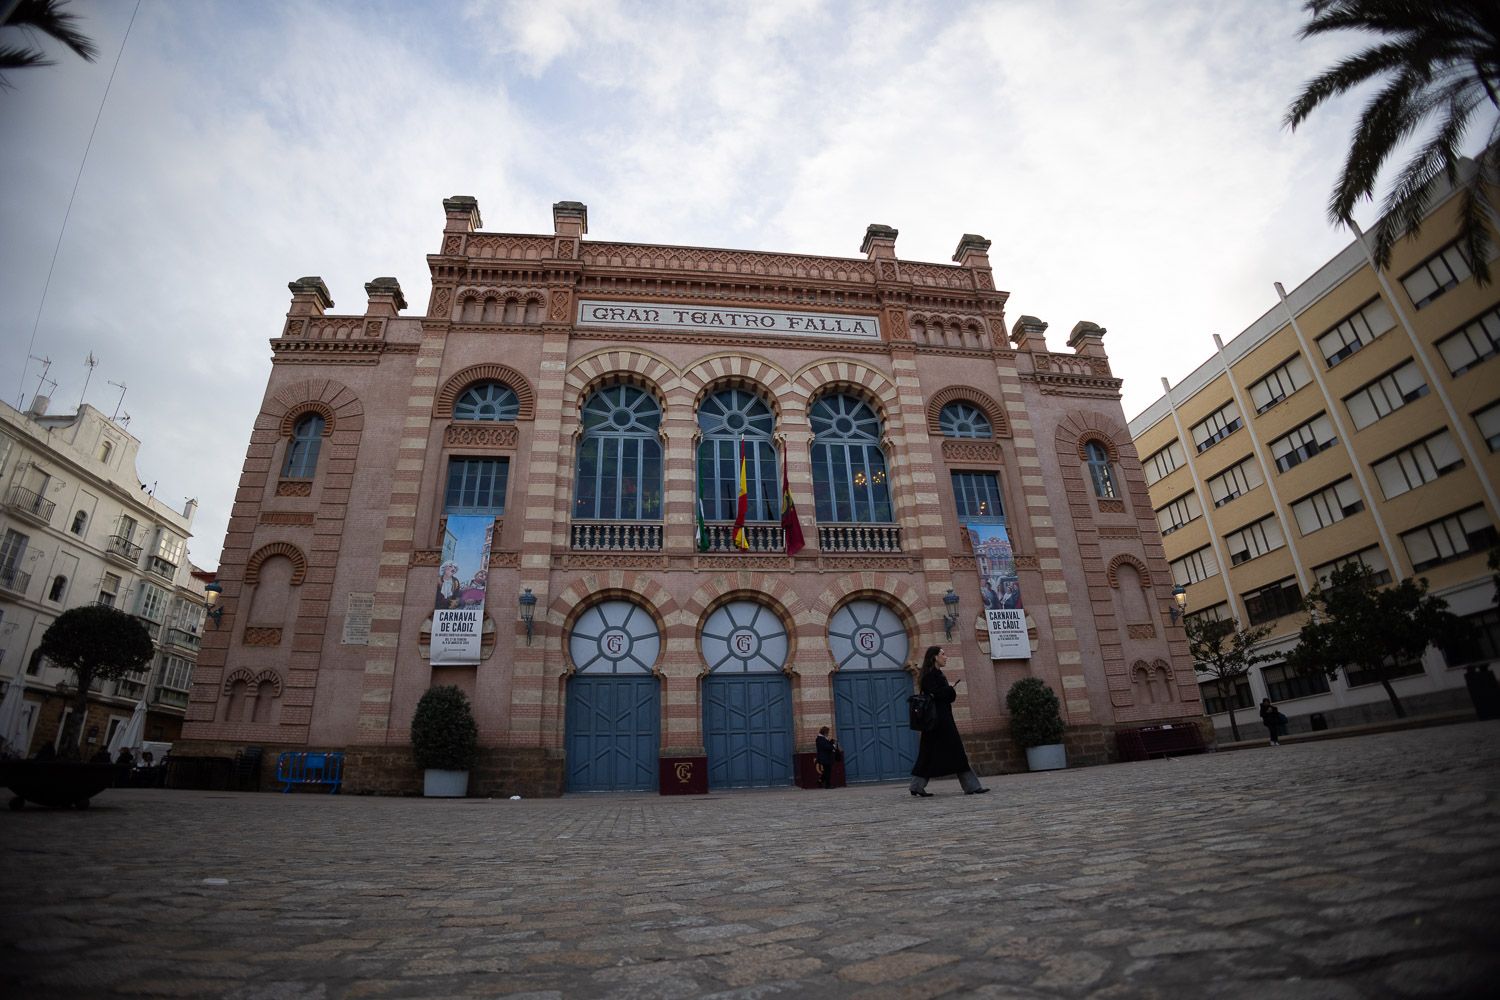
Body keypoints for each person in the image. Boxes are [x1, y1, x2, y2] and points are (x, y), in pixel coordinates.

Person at [909, 645, 989, 797]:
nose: (946, 657)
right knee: (953, 751)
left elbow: (947, 697)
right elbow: (938, 694)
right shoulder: (929, 676)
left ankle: (916, 786)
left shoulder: (938, 674)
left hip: (940, 719)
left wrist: (948, 691)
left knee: (928, 753)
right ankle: (971, 786)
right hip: (937, 721)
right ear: (934, 657)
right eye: (943, 654)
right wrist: (950, 689)